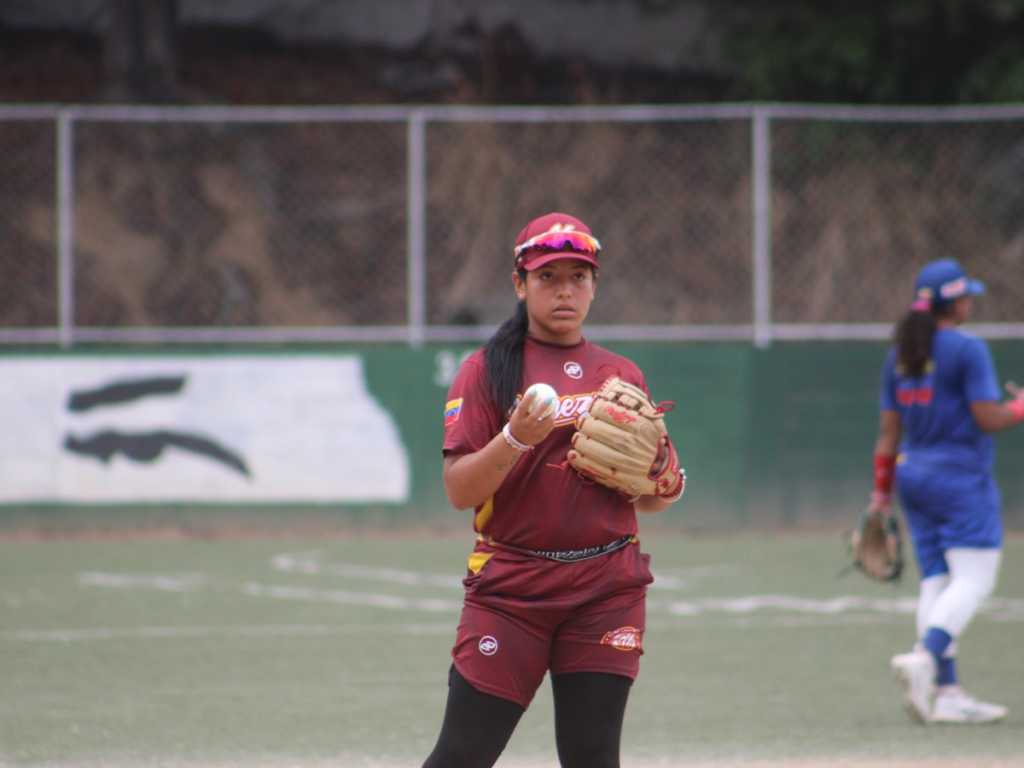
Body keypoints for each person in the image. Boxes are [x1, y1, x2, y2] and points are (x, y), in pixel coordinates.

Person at [423, 213, 686, 768]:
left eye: (578, 277)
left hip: (606, 587)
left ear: (594, 285)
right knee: (462, 756)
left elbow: (653, 496)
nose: (565, 290)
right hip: (512, 588)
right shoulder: (484, 371)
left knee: (593, 758)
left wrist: (665, 474)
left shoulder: (622, 374)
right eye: (547, 277)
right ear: (519, 284)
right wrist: (515, 438)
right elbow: (458, 490)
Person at [870, 258, 1024, 726]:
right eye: (966, 296)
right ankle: (925, 658)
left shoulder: (900, 352)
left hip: (913, 476)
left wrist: (881, 496)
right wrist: (1020, 406)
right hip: (959, 478)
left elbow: (888, 434)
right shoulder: (967, 348)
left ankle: (948, 693)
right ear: (955, 302)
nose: (970, 302)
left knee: (937, 582)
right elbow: (988, 418)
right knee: (975, 580)